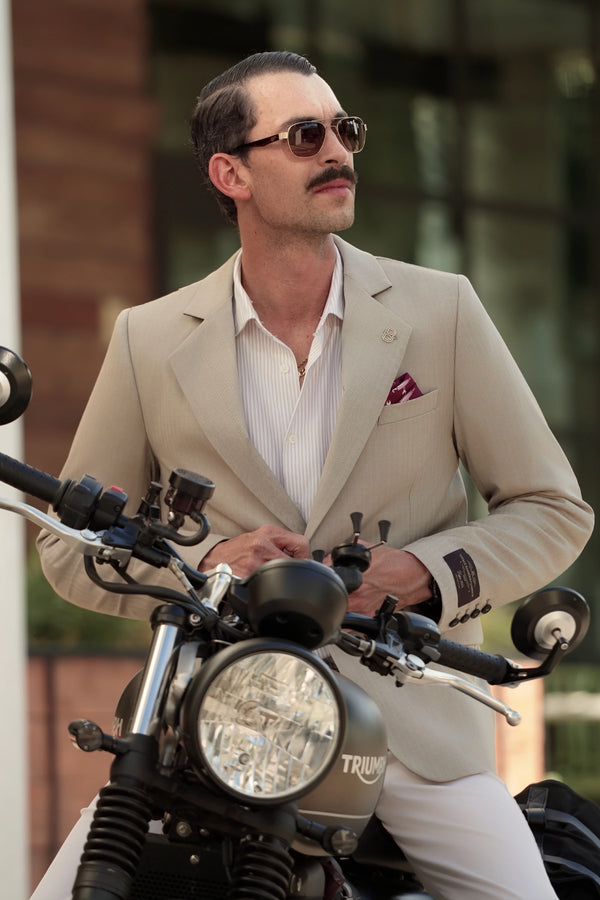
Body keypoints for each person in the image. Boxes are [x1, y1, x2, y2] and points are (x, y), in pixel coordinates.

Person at [34, 50, 593, 900]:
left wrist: (425, 577)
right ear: (233, 173)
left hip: (411, 733)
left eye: (345, 130)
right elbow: (75, 549)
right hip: (219, 719)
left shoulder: (439, 311)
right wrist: (210, 559)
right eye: (304, 136)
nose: (337, 151)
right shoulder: (148, 338)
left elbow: (553, 508)